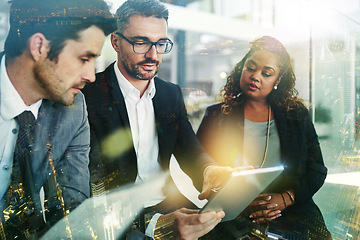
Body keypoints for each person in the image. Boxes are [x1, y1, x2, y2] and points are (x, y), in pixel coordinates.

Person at [82, 0, 228, 239]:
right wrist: (151, 225)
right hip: (113, 216)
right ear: (116, 42)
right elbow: (92, 187)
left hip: (168, 202)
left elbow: (191, 151)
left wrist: (209, 170)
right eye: (141, 42)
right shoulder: (88, 96)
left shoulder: (170, 94)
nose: (153, 55)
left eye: (161, 44)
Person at [0, 0, 115, 238]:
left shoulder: (73, 109)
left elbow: (72, 210)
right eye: (85, 59)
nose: (91, 76)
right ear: (39, 47)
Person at [197, 36, 328, 224]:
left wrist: (285, 199)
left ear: (278, 80)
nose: (255, 76)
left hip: (293, 213)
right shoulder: (216, 116)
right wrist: (235, 200)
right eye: (251, 68)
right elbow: (199, 167)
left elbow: (317, 170)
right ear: (242, 68)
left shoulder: (297, 115)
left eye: (267, 73)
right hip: (231, 216)